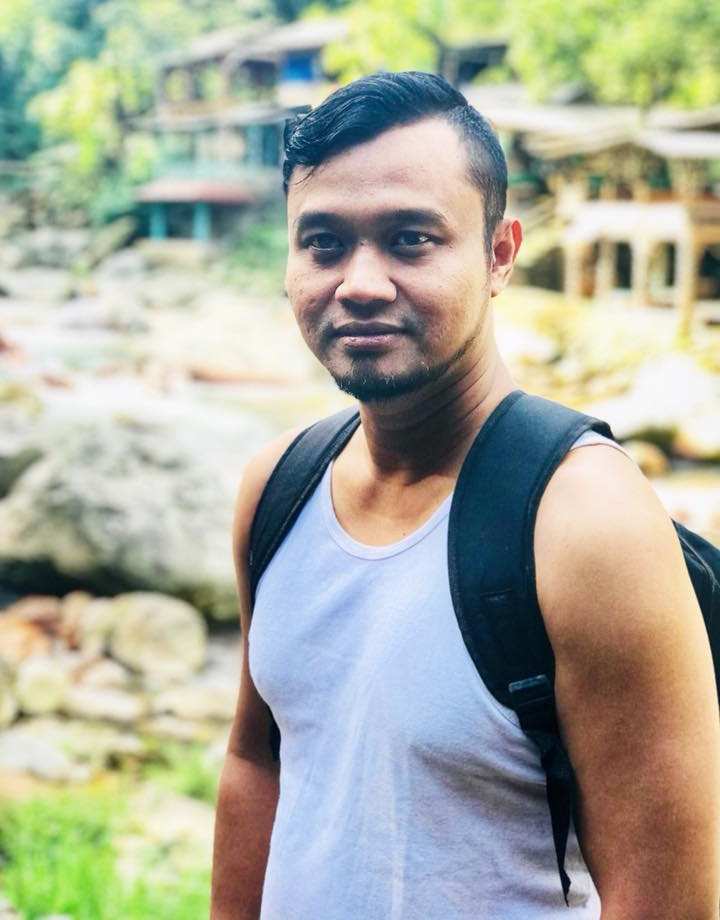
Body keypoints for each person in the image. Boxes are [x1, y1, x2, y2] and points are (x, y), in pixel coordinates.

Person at [210, 72, 720, 920]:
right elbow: (256, 760)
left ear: (499, 255)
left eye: (410, 240)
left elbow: (670, 905)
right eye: (324, 243)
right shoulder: (278, 489)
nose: (360, 282)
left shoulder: (584, 523)